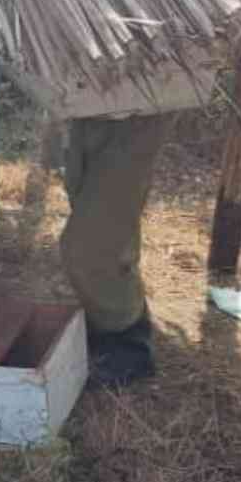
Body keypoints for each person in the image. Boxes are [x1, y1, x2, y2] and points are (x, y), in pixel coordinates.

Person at [59, 114, 173, 386]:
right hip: (92, 97)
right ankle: (118, 321)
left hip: (142, 92)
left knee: (88, 245)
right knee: (96, 211)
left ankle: (127, 344)